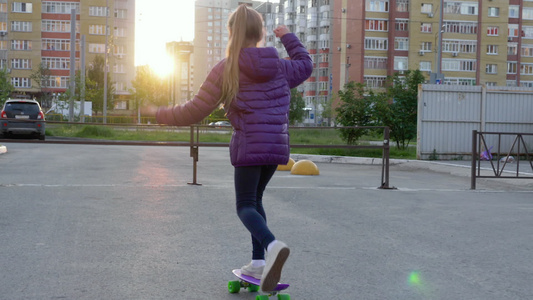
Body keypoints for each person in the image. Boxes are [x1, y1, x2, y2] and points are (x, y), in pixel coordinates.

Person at [153, 4, 312, 291]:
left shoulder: (227, 68)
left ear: (231, 32)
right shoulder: (279, 65)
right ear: (261, 32)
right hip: (276, 146)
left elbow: (194, 110)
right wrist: (288, 36)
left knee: (245, 206)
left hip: (250, 146)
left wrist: (159, 113)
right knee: (256, 200)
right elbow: (306, 64)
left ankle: (272, 245)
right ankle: (259, 263)